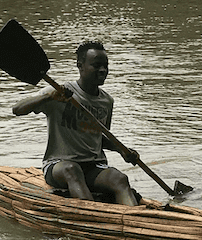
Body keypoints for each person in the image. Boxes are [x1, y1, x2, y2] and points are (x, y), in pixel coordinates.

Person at [12, 39, 140, 205]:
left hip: (93, 167)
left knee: (120, 178)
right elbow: (17, 109)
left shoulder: (107, 101)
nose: (103, 70)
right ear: (80, 66)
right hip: (59, 165)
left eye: (105, 66)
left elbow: (99, 139)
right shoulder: (60, 93)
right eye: (96, 65)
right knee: (72, 170)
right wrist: (48, 97)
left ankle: (132, 219)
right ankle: (92, 216)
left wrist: (123, 150)